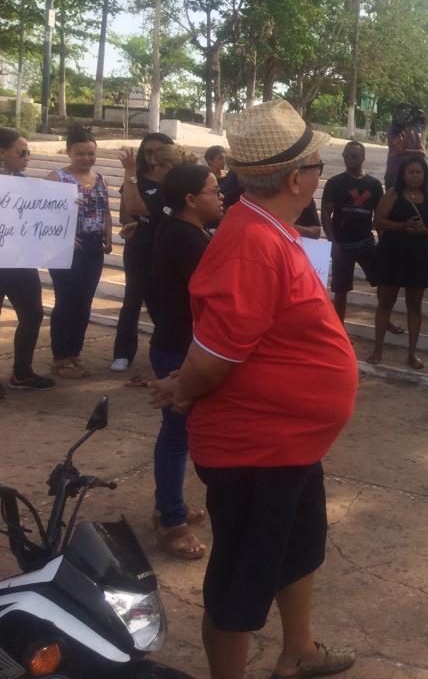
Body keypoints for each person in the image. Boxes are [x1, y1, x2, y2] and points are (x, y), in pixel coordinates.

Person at [147, 99, 358, 679]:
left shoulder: (268, 229)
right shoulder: (251, 244)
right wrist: (184, 386)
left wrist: (184, 381)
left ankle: (299, 650)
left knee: (298, 550)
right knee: (239, 584)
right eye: (317, 165)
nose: (320, 175)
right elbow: (215, 357)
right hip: (257, 449)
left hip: (290, 443)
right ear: (295, 179)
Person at [149, 162, 223, 559]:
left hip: (180, 342)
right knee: (177, 436)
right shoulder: (185, 238)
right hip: (179, 347)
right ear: (191, 199)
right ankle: (170, 519)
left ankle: (168, 504)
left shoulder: (188, 231)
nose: (221, 195)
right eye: (214, 190)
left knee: (179, 435)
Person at [45, 126, 112, 379]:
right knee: (66, 301)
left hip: (93, 248)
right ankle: (60, 358)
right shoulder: (57, 178)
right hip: (66, 248)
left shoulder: (101, 179)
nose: (86, 158)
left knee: (84, 302)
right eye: (80, 153)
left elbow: (105, 209)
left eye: (90, 153)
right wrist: (62, 235)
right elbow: (43, 211)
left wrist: (108, 236)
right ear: (69, 152)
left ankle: (75, 353)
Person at [367, 156, 428, 369]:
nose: (415, 176)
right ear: (403, 174)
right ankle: (377, 349)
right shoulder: (393, 194)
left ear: (425, 175)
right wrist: (403, 226)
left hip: (418, 255)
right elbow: (377, 221)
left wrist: (424, 231)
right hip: (392, 252)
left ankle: (412, 353)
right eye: (411, 172)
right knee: (385, 302)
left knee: (415, 305)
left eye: (419, 172)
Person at [111, 132, 174, 374]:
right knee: (132, 301)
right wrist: (135, 222)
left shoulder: (177, 181)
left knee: (162, 303)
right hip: (139, 248)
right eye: (147, 152)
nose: (152, 157)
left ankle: (168, 350)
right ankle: (123, 353)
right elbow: (127, 213)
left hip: (167, 249)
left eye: (157, 151)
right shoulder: (135, 178)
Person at [0, 128, 54, 394]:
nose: (27, 157)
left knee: (33, 314)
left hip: (20, 261)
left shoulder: (25, 185)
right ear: (2, 153)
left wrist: (63, 220)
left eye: (29, 152)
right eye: (22, 152)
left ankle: (22, 373)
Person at [320, 141, 389, 325]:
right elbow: (326, 214)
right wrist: (332, 242)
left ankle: (385, 317)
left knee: (382, 281)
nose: (349, 159)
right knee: (340, 290)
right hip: (342, 246)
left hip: (366, 243)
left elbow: (379, 217)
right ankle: (339, 327)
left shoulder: (374, 185)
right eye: (346, 155)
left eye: (354, 156)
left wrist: (383, 243)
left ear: (363, 158)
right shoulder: (334, 183)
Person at [385, 104, 425, 191]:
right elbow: (401, 148)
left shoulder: (414, 132)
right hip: (395, 173)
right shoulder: (393, 130)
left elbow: (422, 153)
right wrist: (414, 151)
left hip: (410, 175)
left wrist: (401, 152)